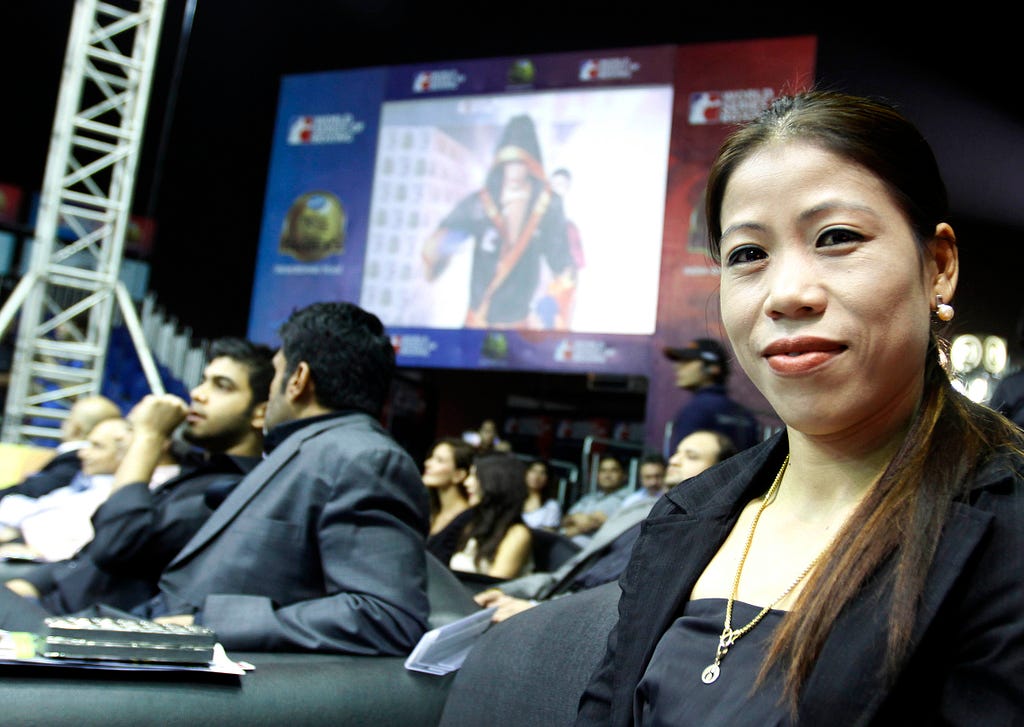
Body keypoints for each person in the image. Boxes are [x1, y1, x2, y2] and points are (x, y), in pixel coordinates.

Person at [575, 90, 1024, 725]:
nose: (786, 294)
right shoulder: (687, 514)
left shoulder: (1004, 527)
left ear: (938, 267)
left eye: (837, 238)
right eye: (748, 255)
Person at [0, 302, 430, 655]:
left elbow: (385, 615)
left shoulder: (363, 456)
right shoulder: (311, 450)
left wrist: (205, 624)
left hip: (160, 650)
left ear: (297, 381)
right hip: (129, 633)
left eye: (277, 373)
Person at [2, 337, 273, 613]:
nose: (198, 394)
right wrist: (30, 585)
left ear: (261, 413)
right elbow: (89, 553)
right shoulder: (195, 472)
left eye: (222, 386)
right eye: (203, 381)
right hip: (51, 600)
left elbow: (114, 543)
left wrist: (148, 436)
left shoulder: (232, 491)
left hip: (85, 628)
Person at [477, 430, 734, 623]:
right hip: (554, 603)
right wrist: (503, 590)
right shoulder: (638, 508)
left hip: (586, 622)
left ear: (722, 470)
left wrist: (535, 608)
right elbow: (567, 574)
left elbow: (628, 605)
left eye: (691, 456)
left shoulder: (705, 533)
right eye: (676, 452)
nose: (675, 460)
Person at [421, 114, 577, 329]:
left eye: (520, 162)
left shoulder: (547, 206)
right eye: (509, 162)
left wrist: (552, 308)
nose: (514, 170)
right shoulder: (481, 203)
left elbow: (562, 263)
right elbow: (443, 239)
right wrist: (441, 245)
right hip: (477, 322)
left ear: (531, 165)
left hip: (520, 325)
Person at [0, 417, 133, 562]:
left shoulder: (114, 497)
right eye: (88, 444)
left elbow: (73, 550)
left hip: (37, 560)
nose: (83, 453)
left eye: (97, 446)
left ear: (125, 455)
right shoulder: (84, 482)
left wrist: (34, 550)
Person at [0, 394, 121, 500]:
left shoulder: (74, 462)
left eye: (69, 418)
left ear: (76, 428)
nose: (83, 454)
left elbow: (32, 491)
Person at [663, 337, 761, 454]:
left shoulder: (696, 410)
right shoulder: (745, 416)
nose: (678, 367)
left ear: (713, 368)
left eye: (687, 361)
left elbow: (684, 467)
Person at [449, 452, 533, 580]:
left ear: (495, 482)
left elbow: (492, 586)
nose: (467, 482)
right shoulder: (476, 522)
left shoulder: (517, 534)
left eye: (475, 476)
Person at [423, 436, 476, 565]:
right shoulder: (429, 510)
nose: (428, 463)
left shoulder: (467, 520)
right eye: (431, 457)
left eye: (439, 460)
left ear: (459, 475)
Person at [560, 454, 630, 542]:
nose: (607, 475)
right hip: (569, 542)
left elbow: (592, 523)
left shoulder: (627, 499)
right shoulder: (589, 498)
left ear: (623, 475)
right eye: (603, 470)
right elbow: (564, 520)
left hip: (597, 549)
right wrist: (574, 517)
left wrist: (567, 532)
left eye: (613, 470)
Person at [521, 458, 562, 530]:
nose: (536, 476)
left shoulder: (551, 506)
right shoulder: (514, 499)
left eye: (542, 473)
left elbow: (548, 536)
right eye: (533, 471)